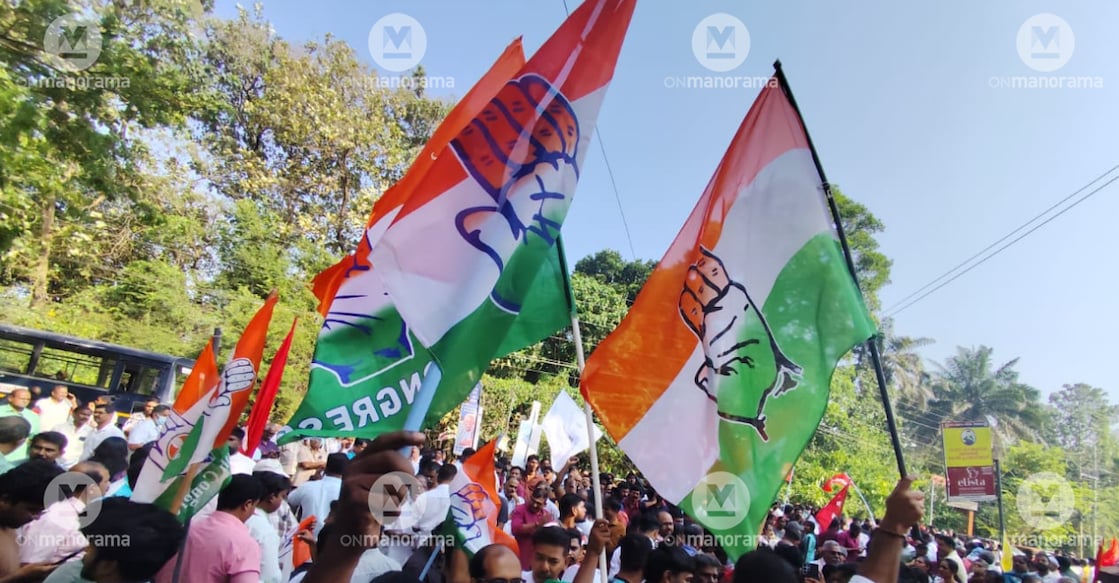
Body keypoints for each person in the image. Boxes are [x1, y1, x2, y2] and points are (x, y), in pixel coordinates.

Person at [42, 498, 185, 583]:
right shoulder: (72, 573)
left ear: (107, 566)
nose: (85, 550)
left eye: (91, 546)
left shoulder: (72, 574)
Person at [154, 474, 265, 583]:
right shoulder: (244, 545)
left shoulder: (188, 528)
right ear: (247, 505)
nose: (253, 512)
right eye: (254, 506)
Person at [0, 459, 66, 579]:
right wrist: (19, 577)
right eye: (32, 510)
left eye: (41, 511)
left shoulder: (10, 525)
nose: (36, 517)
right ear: (5, 500)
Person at [0, 388, 39, 463]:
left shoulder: (34, 416)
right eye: (22, 398)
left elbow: (33, 438)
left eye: (28, 399)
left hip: (19, 459)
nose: (25, 401)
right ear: (10, 398)